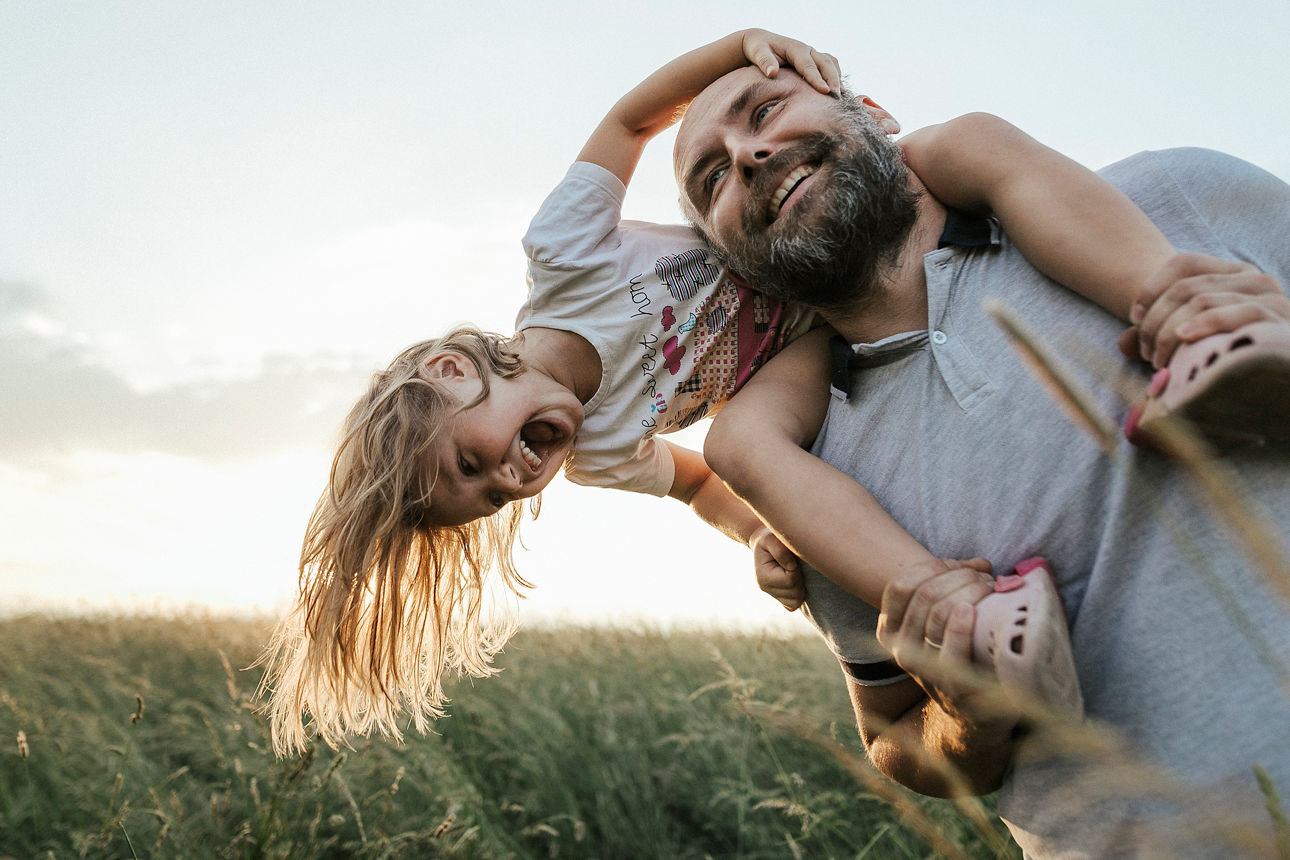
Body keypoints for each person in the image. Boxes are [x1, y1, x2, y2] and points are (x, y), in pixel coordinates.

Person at [260, 29, 1250, 765]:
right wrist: (765, 537)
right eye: (490, 494)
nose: (514, 475)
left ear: (448, 371)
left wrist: (730, 51)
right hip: (804, 331)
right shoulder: (605, 450)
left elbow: (623, 122)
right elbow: (699, 480)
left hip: (857, 261)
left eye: (473, 459)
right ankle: (964, 621)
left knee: (976, 139)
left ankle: (1196, 320)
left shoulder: (561, 259)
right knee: (742, 444)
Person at [675, 61, 1290, 855]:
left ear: (871, 112)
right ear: (730, 255)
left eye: (765, 110)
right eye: (712, 175)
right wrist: (967, 717)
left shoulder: (1176, 198)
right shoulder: (806, 481)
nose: (749, 157)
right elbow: (893, 735)